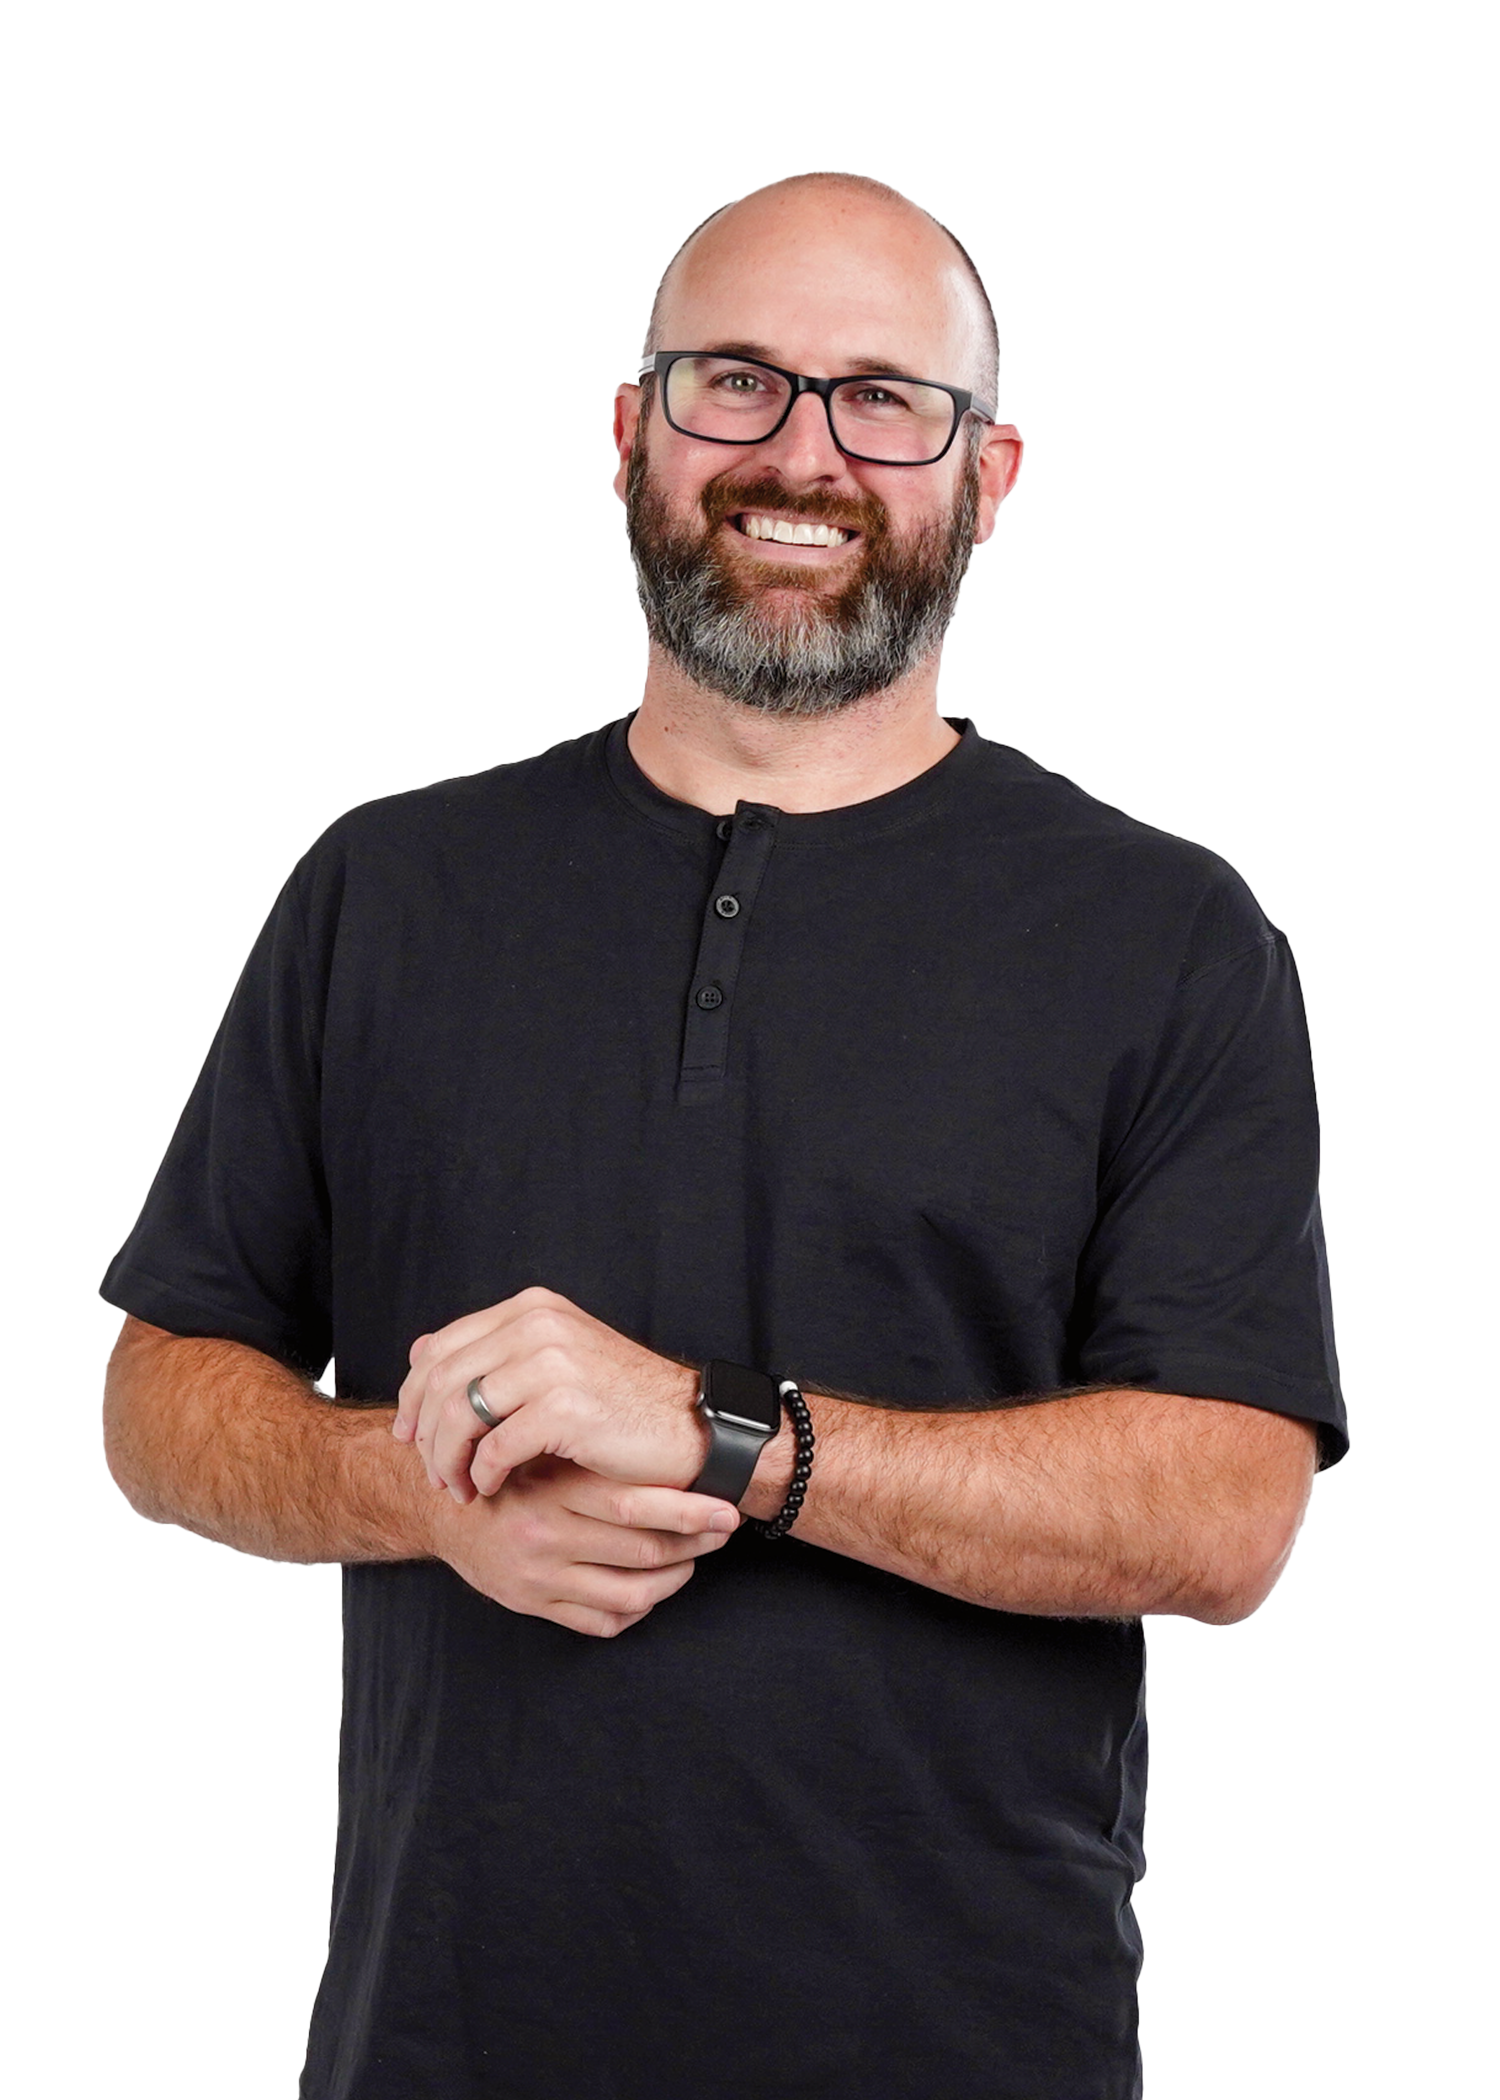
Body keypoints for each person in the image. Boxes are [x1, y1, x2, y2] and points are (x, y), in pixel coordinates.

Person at [100, 172, 1349, 2100]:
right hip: (443, 2047)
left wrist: (729, 1440)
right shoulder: (384, 890)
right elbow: (159, 1397)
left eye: (884, 400)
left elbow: (1227, 1511)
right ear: (632, 434)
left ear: (990, 474)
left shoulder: (1169, 938)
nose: (803, 452)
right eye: (737, 381)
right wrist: (424, 1496)